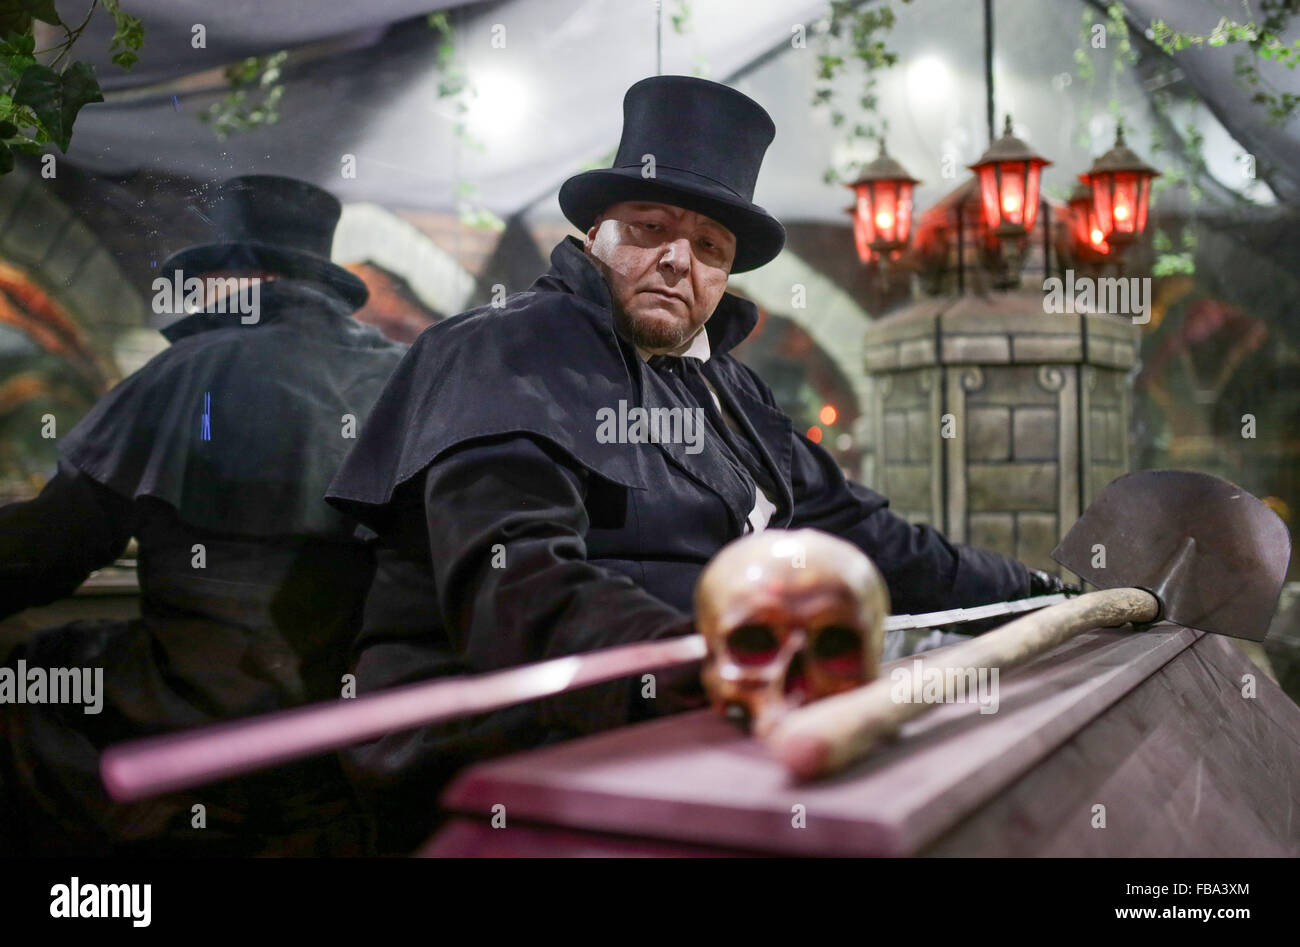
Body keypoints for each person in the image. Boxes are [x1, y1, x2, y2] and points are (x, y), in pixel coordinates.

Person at [326, 76, 1070, 852]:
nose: (679, 260)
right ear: (594, 238)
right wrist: (721, 666)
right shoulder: (503, 352)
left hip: (702, 726)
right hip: (504, 754)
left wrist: (1041, 596)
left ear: (724, 276)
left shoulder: (732, 393)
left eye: (710, 247)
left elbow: (873, 538)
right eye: (650, 228)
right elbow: (516, 593)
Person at [0, 175, 406, 855]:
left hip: (192, 714)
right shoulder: (409, 378)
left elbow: (49, 548)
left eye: (205, 278)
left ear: (237, 276)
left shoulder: (184, 370)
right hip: (357, 730)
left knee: (32, 674)